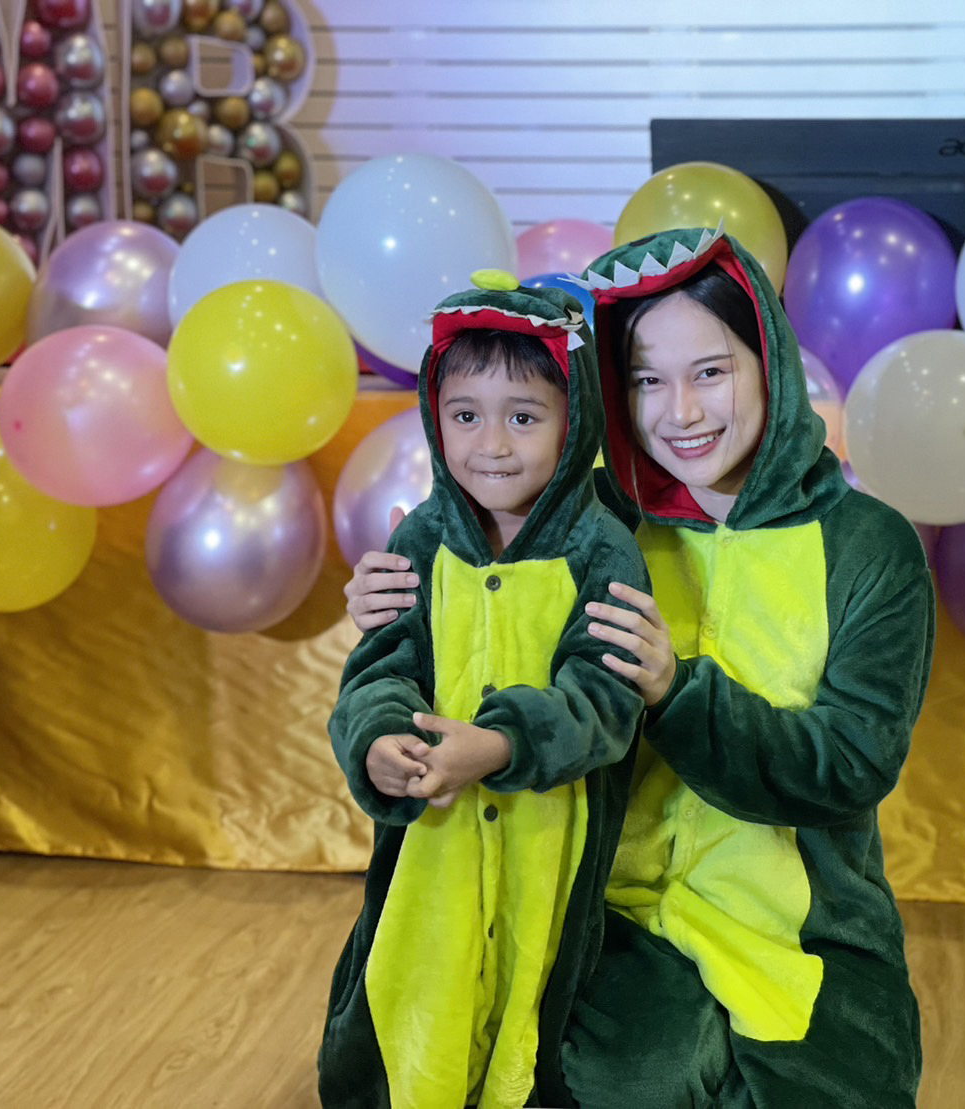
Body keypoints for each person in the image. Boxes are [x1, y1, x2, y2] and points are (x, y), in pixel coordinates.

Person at [344, 228, 935, 1108]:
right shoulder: (587, 527)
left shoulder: (867, 545)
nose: (680, 412)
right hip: (602, 908)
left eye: (710, 371)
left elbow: (850, 764)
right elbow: (469, 599)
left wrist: (677, 690)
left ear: (769, 363)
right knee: (627, 1079)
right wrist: (393, 596)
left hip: (804, 919)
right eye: (646, 380)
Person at [321, 275, 650, 1108]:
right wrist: (379, 737)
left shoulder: (600, 547)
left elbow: (605, 696)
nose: (491, 444)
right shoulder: (421, 536)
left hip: (550, 837)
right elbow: (380, 665)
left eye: (524, 417)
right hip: (435, 837)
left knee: (530, 988)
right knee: (422, 974)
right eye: (465, 415)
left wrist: (504, 743)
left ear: (573, 420)